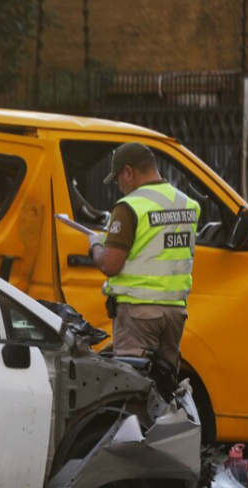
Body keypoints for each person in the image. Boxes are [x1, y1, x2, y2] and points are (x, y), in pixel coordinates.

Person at [87, 142, 200, 393]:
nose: (120, 186)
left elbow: (110, 264)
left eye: (118, 179)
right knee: (164, 387)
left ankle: (138, 433)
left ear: (128, 172)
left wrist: (96, 246)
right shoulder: (187, 205)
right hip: (175, 314)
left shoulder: (130, 207)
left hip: (139, 314)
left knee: (134, 390)